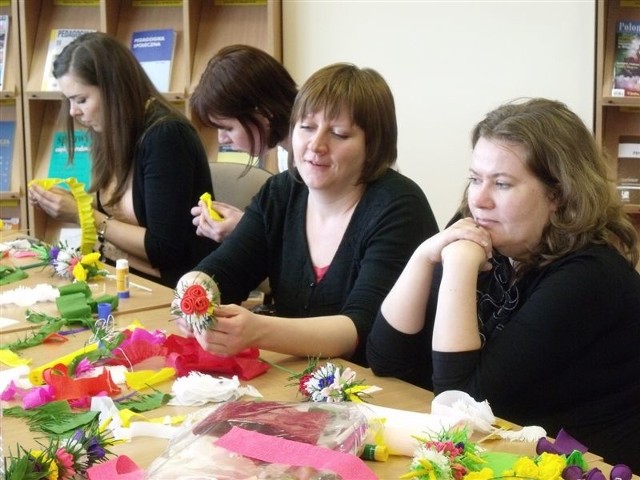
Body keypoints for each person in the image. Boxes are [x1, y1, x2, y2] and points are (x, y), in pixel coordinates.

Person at [367, 98, 640, 470]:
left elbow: (462, 402)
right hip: (506, 455)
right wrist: (422, 257)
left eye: (502, 184)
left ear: (558, 195)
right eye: (475, 179)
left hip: (587, 467)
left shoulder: (589, 276)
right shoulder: (486, 232)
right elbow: (386, 359)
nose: (478, 200)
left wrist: (459, 265)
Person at [173, 62, 439, 366]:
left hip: (385, 391)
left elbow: (359, 329)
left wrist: (258, 330)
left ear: (373, 145)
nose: (316, 145)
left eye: (339, 134)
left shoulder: (399, 206)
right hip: (305, 381)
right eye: (307, 127)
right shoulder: (281, 193)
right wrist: (193, 291)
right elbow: (224, 270)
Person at [27, 32, 213, 288]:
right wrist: (71, 201)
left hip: (170, 291)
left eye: (81, 100)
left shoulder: (166, 137)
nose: (73, 112)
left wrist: (85, 215)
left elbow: (165, 249)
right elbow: (116, 208)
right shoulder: (113, 129)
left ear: (114, 90)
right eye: (69, 100)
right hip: (120, 278)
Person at [189, 44, 298, 243]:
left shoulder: (310, 156)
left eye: (227, 128)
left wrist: (248, 229)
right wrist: (249, 223)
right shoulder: (287, 149)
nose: (222, 139)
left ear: (264, 112)